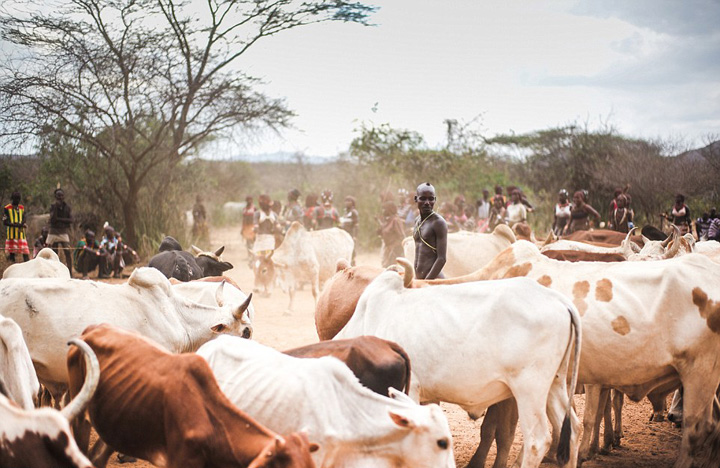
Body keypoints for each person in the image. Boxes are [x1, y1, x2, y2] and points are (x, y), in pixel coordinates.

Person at [412, 182, 447, 279]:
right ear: (416, 199)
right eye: (423, 198)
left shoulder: (438, 223)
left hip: (433, 280)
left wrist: (427, 282)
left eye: (431, 199)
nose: (427, 202)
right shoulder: (417, 220)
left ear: (435, 200)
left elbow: (442, 259)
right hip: (420, 279)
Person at [48, 188, 73, 270]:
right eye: (59, 196)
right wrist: (56, 208)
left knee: (67, 252)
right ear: (55, 196)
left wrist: (59, 219)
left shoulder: (67, 207)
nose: (60, 197)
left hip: (63, 232)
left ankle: (69, 271)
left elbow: (71, 220)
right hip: (53, 231)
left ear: (64, 196)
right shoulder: (53, 206)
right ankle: (55, 270)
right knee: (54, 253)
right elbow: (53, 219)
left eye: (62, 195)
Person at [3, 191, 30, 263]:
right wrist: (15, 225)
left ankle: (27, 265)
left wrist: (22, 223)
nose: (17, 201)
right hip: (12, 234)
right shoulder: (7, 208)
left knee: (25, 252)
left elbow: (24, 217)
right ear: (12, 198)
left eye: (18, 199)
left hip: (21, 234)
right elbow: (5, 222)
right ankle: (11, 265)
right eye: (15, 199)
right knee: (12, 253)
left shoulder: (21, 207)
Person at [377, 201, 406, 268]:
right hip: (387, 249)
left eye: (384, 209)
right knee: (385, 268)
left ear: (389, 210)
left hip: (395, 250)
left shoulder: (395, 220)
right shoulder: (388, 220)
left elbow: (402, 237)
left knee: (393, 269)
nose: (383, 211)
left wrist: (394, 248)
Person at [339, 195, 359, 265]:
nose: (347, 203)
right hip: (344, 235)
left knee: (352, 252)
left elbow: (356, 225)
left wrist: (354, 236)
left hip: (350, 234)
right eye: (346, 201)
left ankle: (353, 266)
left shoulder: (354, 212)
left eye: (349, 201)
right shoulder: (345, 212)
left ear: (352, 202)